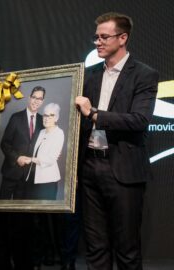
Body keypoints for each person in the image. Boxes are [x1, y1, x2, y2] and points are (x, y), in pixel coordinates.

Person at [75, 12, 159, 270]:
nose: (98, 42)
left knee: (127, 249)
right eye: (96, 37)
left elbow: (138, 120)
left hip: (123, 170)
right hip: (90, 168)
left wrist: (95, 114)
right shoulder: (87, 75)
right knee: (95, 248)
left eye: (104, 37)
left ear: (123, 38)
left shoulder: (144, 74)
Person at [0, 86, 45, 200]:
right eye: (34, 97)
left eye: (39, 98)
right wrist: (17, 158)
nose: (36, 101)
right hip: (11, 172)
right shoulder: (16, 117)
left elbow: (43, 146)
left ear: (42, 101)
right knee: (2, 209)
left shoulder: (43, 121)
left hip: (29, 176)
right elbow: (4, 143)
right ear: (29, 98)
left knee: (20, 213)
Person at [19, 103, 64, 200]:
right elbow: (34, 151)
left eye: (51, 116)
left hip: (47, 180)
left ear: (56, 118)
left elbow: (51, 159)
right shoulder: (41, 132)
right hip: (33, 176)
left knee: (44, 214)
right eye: (45, 115)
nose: (46, 118)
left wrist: (31, 160)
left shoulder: (59, 133)